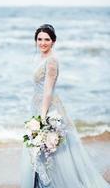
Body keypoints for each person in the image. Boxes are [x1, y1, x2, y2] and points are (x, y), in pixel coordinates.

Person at [20, 24, 110, 188]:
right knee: (40, 147)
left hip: (47, 108)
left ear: (53, 41)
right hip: (36, 105)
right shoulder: (40, 58)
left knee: (51, 148)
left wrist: (42, 118)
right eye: (39, 39)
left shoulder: (52, 61)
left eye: (47, 39)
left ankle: (53, 183)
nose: (43, 43)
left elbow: (48, 92)